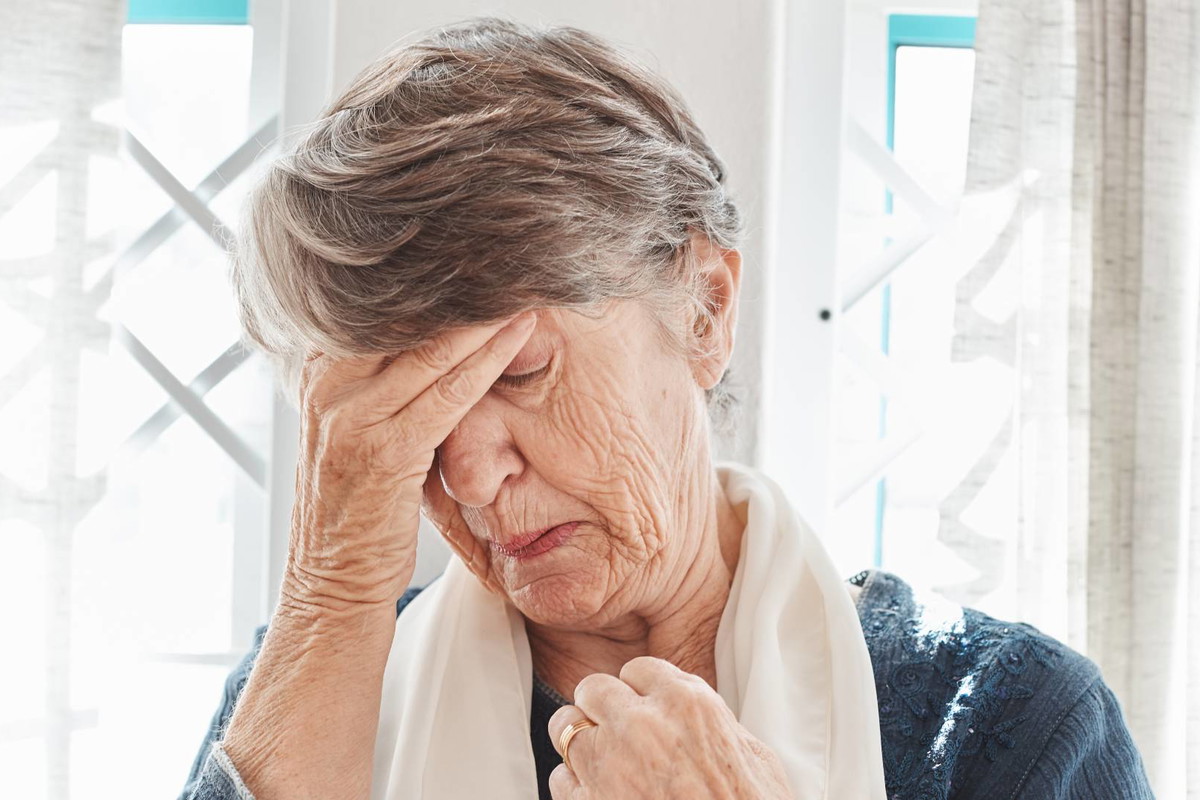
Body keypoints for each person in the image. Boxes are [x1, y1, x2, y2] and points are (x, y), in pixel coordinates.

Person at [179, 17, 1154, 800]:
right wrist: (330, 593)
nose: (470, 475)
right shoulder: (315, 687)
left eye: (519, 373)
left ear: (705, 309)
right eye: (412, 419)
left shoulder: (1012, 727)